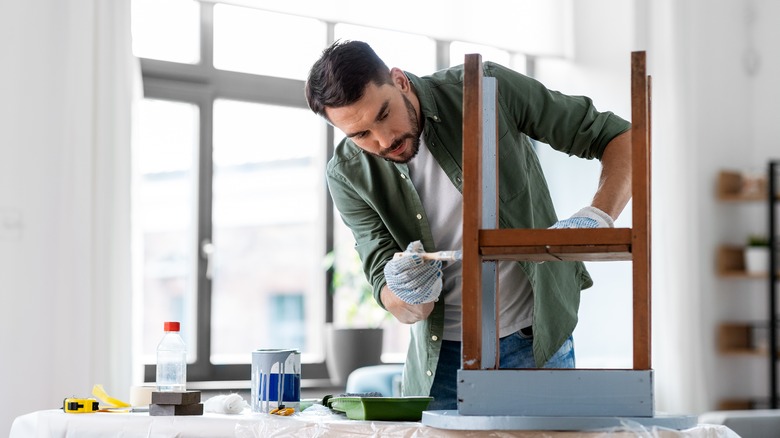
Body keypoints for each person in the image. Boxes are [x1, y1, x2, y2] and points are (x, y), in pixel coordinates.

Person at [305, 40, 632, 410]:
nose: (383, 140)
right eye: (360, 135)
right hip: (440, 365)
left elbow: (621, 136)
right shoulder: (346, 174)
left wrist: (598, 217)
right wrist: (406, 292)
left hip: (535, 342)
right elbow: (387, 288)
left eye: (383, 115)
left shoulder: (485, 89)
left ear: (399, 81)